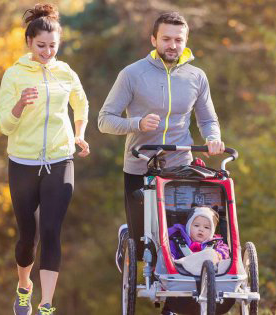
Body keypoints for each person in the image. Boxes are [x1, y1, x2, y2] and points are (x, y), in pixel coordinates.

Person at [98, 11, 224, 315]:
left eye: (178, 39)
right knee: (144, 249)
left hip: (180, 168)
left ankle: (173, 307)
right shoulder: (132, 74)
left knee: (179, 239)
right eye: (166, 38)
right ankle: (129, 234)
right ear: (154, 40)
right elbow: (104, 121)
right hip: (140, 165)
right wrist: (138, 123)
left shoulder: (196, 76)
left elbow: (208, 119)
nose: (172, 44)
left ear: (186, 41)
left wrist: (213, 138)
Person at [0, 4, 89, 315]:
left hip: (61, 160)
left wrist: (79, 134)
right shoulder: (14, 75)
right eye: (41, 46)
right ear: (28, 43)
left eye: (53, 46)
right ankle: (24, 286)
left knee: (51, 230)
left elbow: (81, 103)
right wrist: (21, 104)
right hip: (23, 164)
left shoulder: (66, 72)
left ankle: (47, 304)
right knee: (28, 236)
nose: (47, 52)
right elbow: (5, 126)